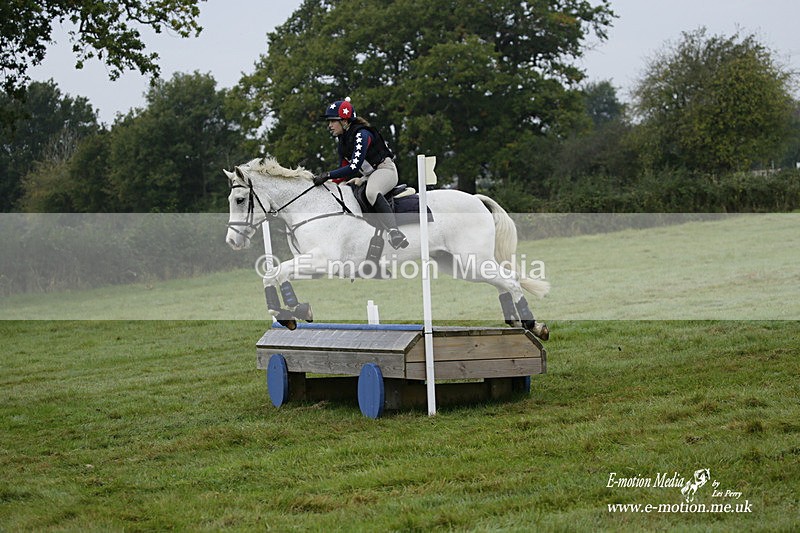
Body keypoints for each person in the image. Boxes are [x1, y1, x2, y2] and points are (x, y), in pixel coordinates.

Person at [313, 98, 409, 249]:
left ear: (344, 121)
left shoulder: (361, 135)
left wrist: (327, 175)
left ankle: (394, 232)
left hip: (385, 170)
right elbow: (343, 173)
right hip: (369, 175)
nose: (329, 125)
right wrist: (329, 185)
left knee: (371, 192)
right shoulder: (343, 141)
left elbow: (353, 167)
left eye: (333, 121)